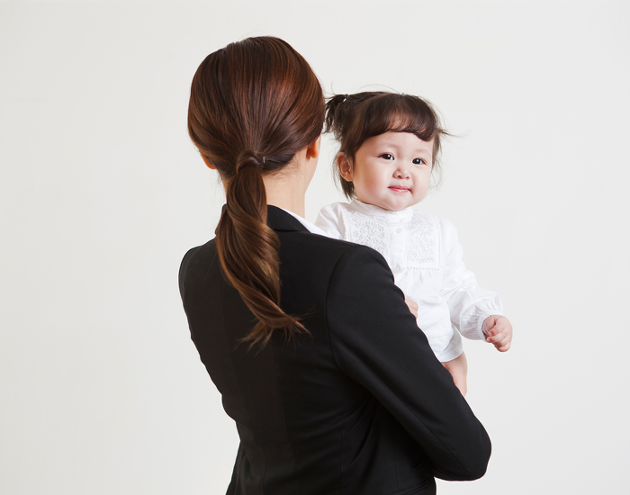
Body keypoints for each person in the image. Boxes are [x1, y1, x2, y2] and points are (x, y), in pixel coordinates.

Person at [179, 37, 491, 495]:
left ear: (205, 154)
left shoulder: (198, 270)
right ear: (313, 145)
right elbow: (467, 454)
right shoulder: (347, 272)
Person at [315, 92, 513, 396]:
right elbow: (326, 286)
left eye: (418, 160)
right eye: (387, 156)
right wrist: (380, 302)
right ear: (347, 167)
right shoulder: (337, 221)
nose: (403, 171)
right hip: (370, 363)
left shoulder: (438, 231)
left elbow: (456, 288)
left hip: (435, 361)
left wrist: (487, 318)